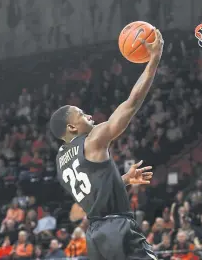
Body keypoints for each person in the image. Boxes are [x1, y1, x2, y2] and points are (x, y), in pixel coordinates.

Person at [49, 29, 164, 260]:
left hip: (96, 235)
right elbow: (132, 103)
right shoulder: (93, 139)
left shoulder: (61, 161)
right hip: (117, 228)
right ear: (72, 128)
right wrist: (154, 60)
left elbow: (96, 197)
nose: (89, 116)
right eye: (81, 115)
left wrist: (123, 180)